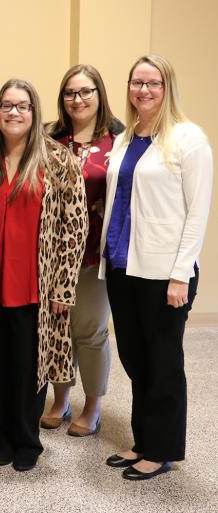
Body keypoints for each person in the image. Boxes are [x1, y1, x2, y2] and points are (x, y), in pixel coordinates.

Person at [100, 55, 212, 480]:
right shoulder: (127, 137)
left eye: (153, 83)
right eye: (136, 83)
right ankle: (143, 438)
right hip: (123, 264)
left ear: (167, 88)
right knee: (135, 358)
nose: (143, 90)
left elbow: (197, 212)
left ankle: (162, 449)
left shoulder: (188, 139)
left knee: (163, 361)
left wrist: (181, 273)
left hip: (165, 271)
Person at [0, 79, 87, 472]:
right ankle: (3, 436)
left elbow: (75, 228)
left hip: (36, 285)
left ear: (35, 112)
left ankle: (28, 439)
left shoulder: (58, 161)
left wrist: (64, 286)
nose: (14, 113)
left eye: (22, 106)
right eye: (6, 105)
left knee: (30, 365)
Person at [40, 64, 124, 437]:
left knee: (88, 329)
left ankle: (92, 406)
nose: (78, 99)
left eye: (86, 91)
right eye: (70, 93)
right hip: (51, 253)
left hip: (95, 253)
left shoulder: (119, 139)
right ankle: (61, 399)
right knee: (57, 327)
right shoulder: (48, 137)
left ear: (99, 94)